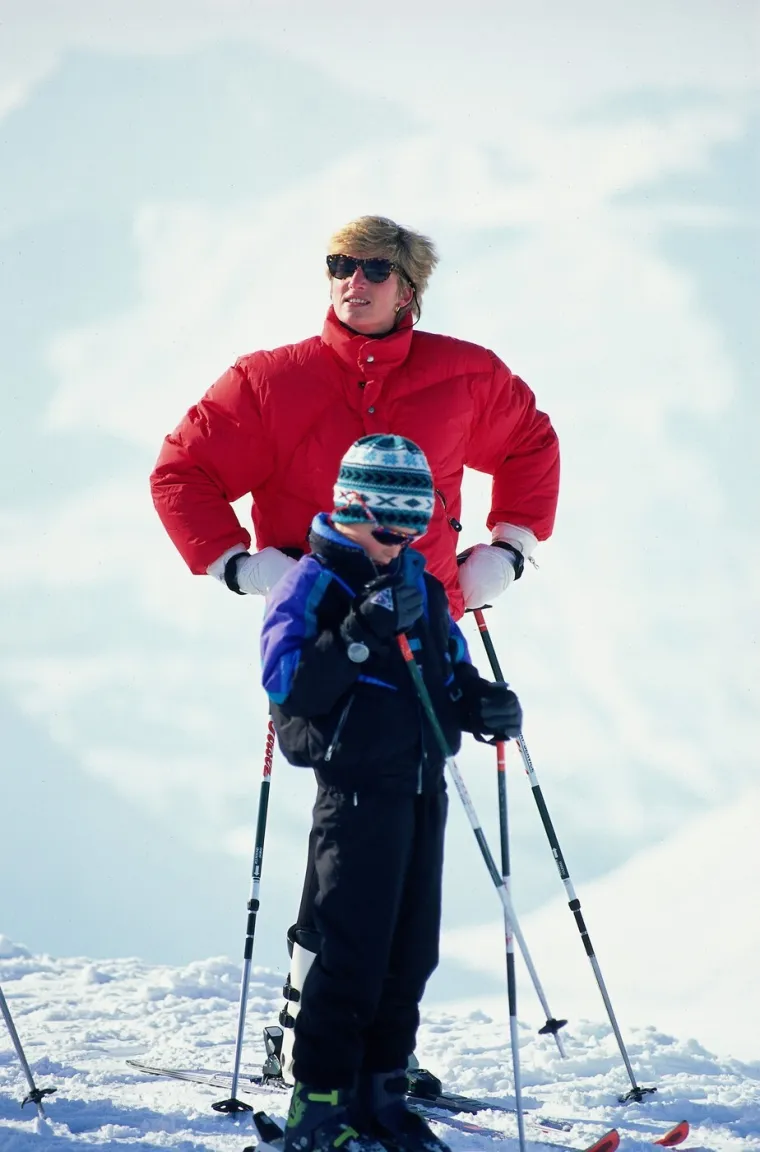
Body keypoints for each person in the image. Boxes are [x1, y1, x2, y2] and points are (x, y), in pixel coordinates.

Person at [150, 214, 559, 1085]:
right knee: (348, 852)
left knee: (407, 865)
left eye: (373, 267)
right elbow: (181, 471)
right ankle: (315, 1050)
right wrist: (236, 564)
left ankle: (380, 1056)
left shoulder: (466, 374)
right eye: (339, 263)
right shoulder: (271, 381)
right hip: (323, 629)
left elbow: (531, 443)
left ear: (409, 287)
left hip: (430, 624)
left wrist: (510, 548)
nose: (352, 279)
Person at [260, 434, 523, 1152]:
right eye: (387, 525)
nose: (400, 540)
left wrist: (482, 704)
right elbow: (289, 688)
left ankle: (381, 1099)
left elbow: (447, 675)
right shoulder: (314, 582)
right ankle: (318, 1110)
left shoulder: (422, 587)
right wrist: (359, 630)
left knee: (410, 954)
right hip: (352, 795)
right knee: (350, 955)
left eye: (415, 526)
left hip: (418, 788)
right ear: (350, 508)